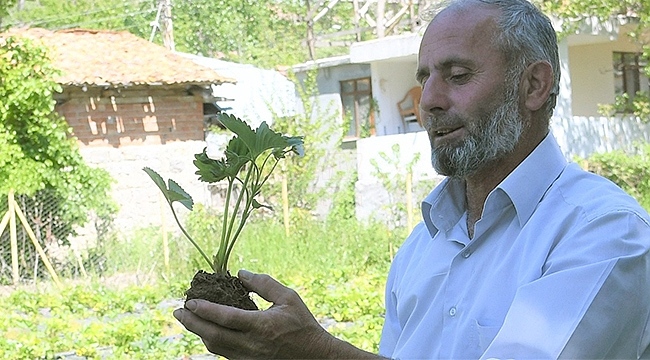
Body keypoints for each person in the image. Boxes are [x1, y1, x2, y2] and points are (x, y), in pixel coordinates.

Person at [173, 0, 650, 358]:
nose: (428, 101)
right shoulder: (424, 245)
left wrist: (317, 353)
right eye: (426, 77)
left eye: (458, 75)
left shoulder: (605, 233)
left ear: (533, 85)